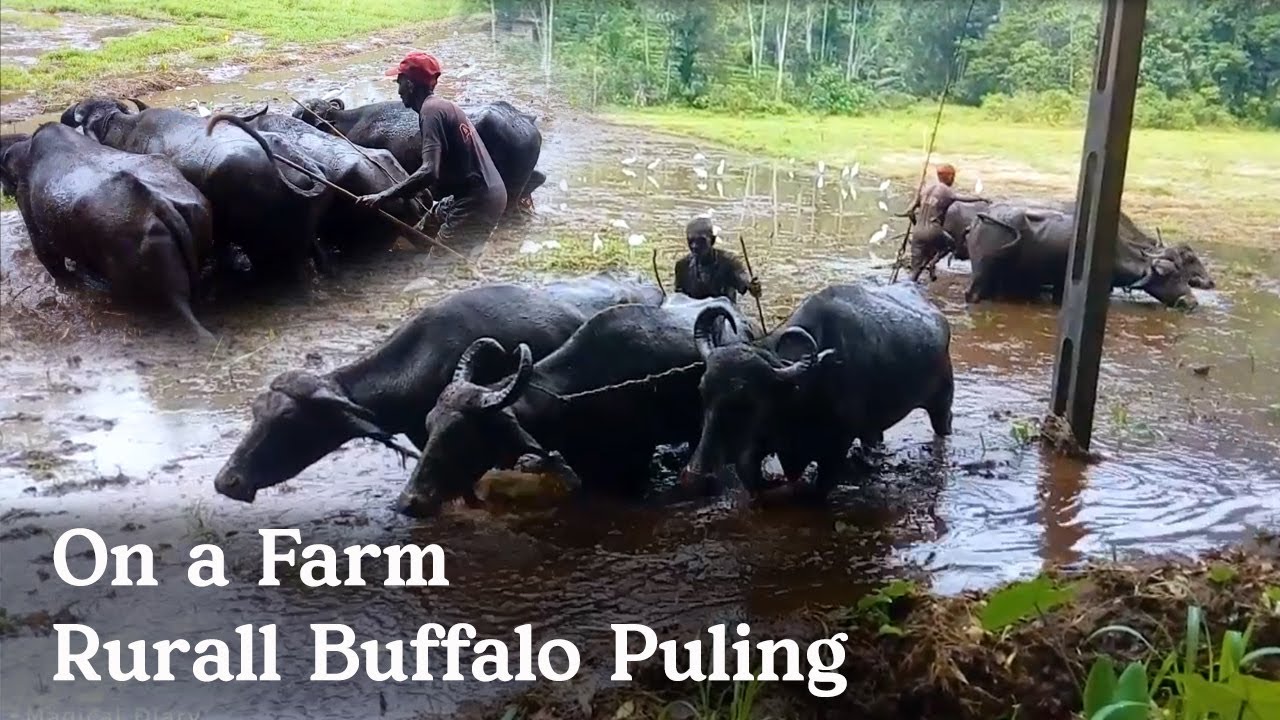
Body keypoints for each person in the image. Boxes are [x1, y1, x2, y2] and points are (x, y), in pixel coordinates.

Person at [356, 52, 507, 252]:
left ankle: (444, 271)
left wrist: (383, 196)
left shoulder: (430, 113)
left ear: (410, 85)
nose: (398, 90)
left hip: (476, 201)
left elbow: (429, 171)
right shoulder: (443, 106)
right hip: (483, 193)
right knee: (428, 225)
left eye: (399, 82)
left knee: (442, 268)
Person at [902, 163, 988, 281]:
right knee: (950, 245)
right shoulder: (946, 191)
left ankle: (909, 288)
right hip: (934, 230)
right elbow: (963, 199)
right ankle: (932, 263)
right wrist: (981, 199)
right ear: (950, 177)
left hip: (917, 233)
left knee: (915, 271)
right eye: (953, 177)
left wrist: (916, 223)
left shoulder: (924, 191)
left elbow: (909, 211)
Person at [673, 217, 762, 303]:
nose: (694, 246)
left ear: (712, 240)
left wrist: (752, 286)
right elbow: (679, 299)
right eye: (691, 241)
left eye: (701, 241)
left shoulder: (729, 263)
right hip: (693, 314)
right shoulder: (682, 266)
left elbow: (743, 279)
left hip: (724, 312)